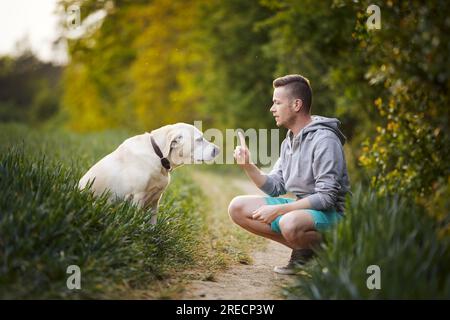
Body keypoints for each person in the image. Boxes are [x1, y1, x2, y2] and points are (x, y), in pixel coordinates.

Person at [229, 74, 350, 275]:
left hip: (335, 215)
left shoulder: (325, 140)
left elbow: (327, 198)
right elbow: (275, 186)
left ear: (296, 105)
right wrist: (248, 165)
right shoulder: (289, 143)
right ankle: (305, 251)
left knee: (288, 221)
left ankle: (337, 251)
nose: (272, 108)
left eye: (277, 102)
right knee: (237, 207)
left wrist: (280, 210)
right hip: (304, 213)